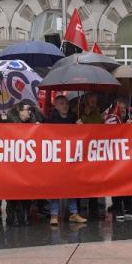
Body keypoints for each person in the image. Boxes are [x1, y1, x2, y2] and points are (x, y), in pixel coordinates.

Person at [45, 95, 86, 226]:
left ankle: (73, 213)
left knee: (71, 184)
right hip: (56, 157)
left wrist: (80, 127)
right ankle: (54, 214)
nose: (65, 106)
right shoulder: (50, 120)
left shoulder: (74, 118)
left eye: (66, 103)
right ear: (56, 106)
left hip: (71, 157)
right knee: (55, 186)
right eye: (61, 104)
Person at [105, 98, 132, 221]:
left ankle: (129, 208)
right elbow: (112, 133)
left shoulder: (125, 118)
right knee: (117, 182)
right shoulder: (111, 118)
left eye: (125, 108)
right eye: (121, 108)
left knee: (127, 182)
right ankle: (118, 208)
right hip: (115, 156)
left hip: (125, 156)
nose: (123, 110)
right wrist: (125, 127)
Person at [6, 102, 40, 226]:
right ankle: (12, 215)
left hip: (27, 164)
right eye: (27, 110)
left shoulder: (32, 122)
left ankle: (24, 214)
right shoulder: (8, 122)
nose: (29, 112)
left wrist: (37, 128)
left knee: (26, 189)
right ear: (19, 111)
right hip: (12, 163)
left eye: (30, 110)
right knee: (12, 190)